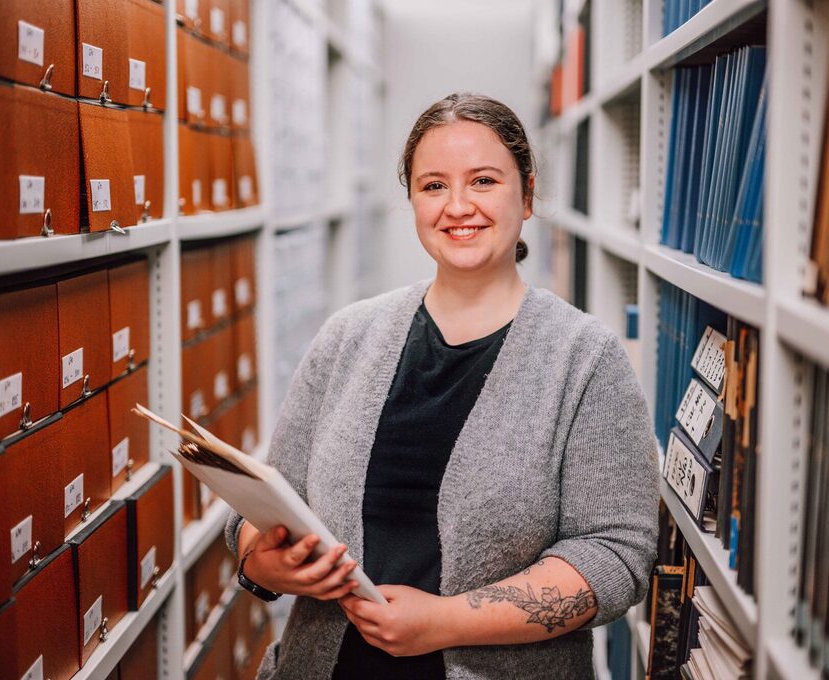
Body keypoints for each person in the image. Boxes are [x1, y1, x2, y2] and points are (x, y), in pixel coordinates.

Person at [225, 92, 659, 679]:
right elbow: (272, 497)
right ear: (411, 199)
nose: (458, 206)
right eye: (433, 186)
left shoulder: (586, 359)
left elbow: (616, 555)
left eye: (483, 181)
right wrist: (261, 560)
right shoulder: (347, 338)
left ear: (527, 194)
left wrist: (446, 621)